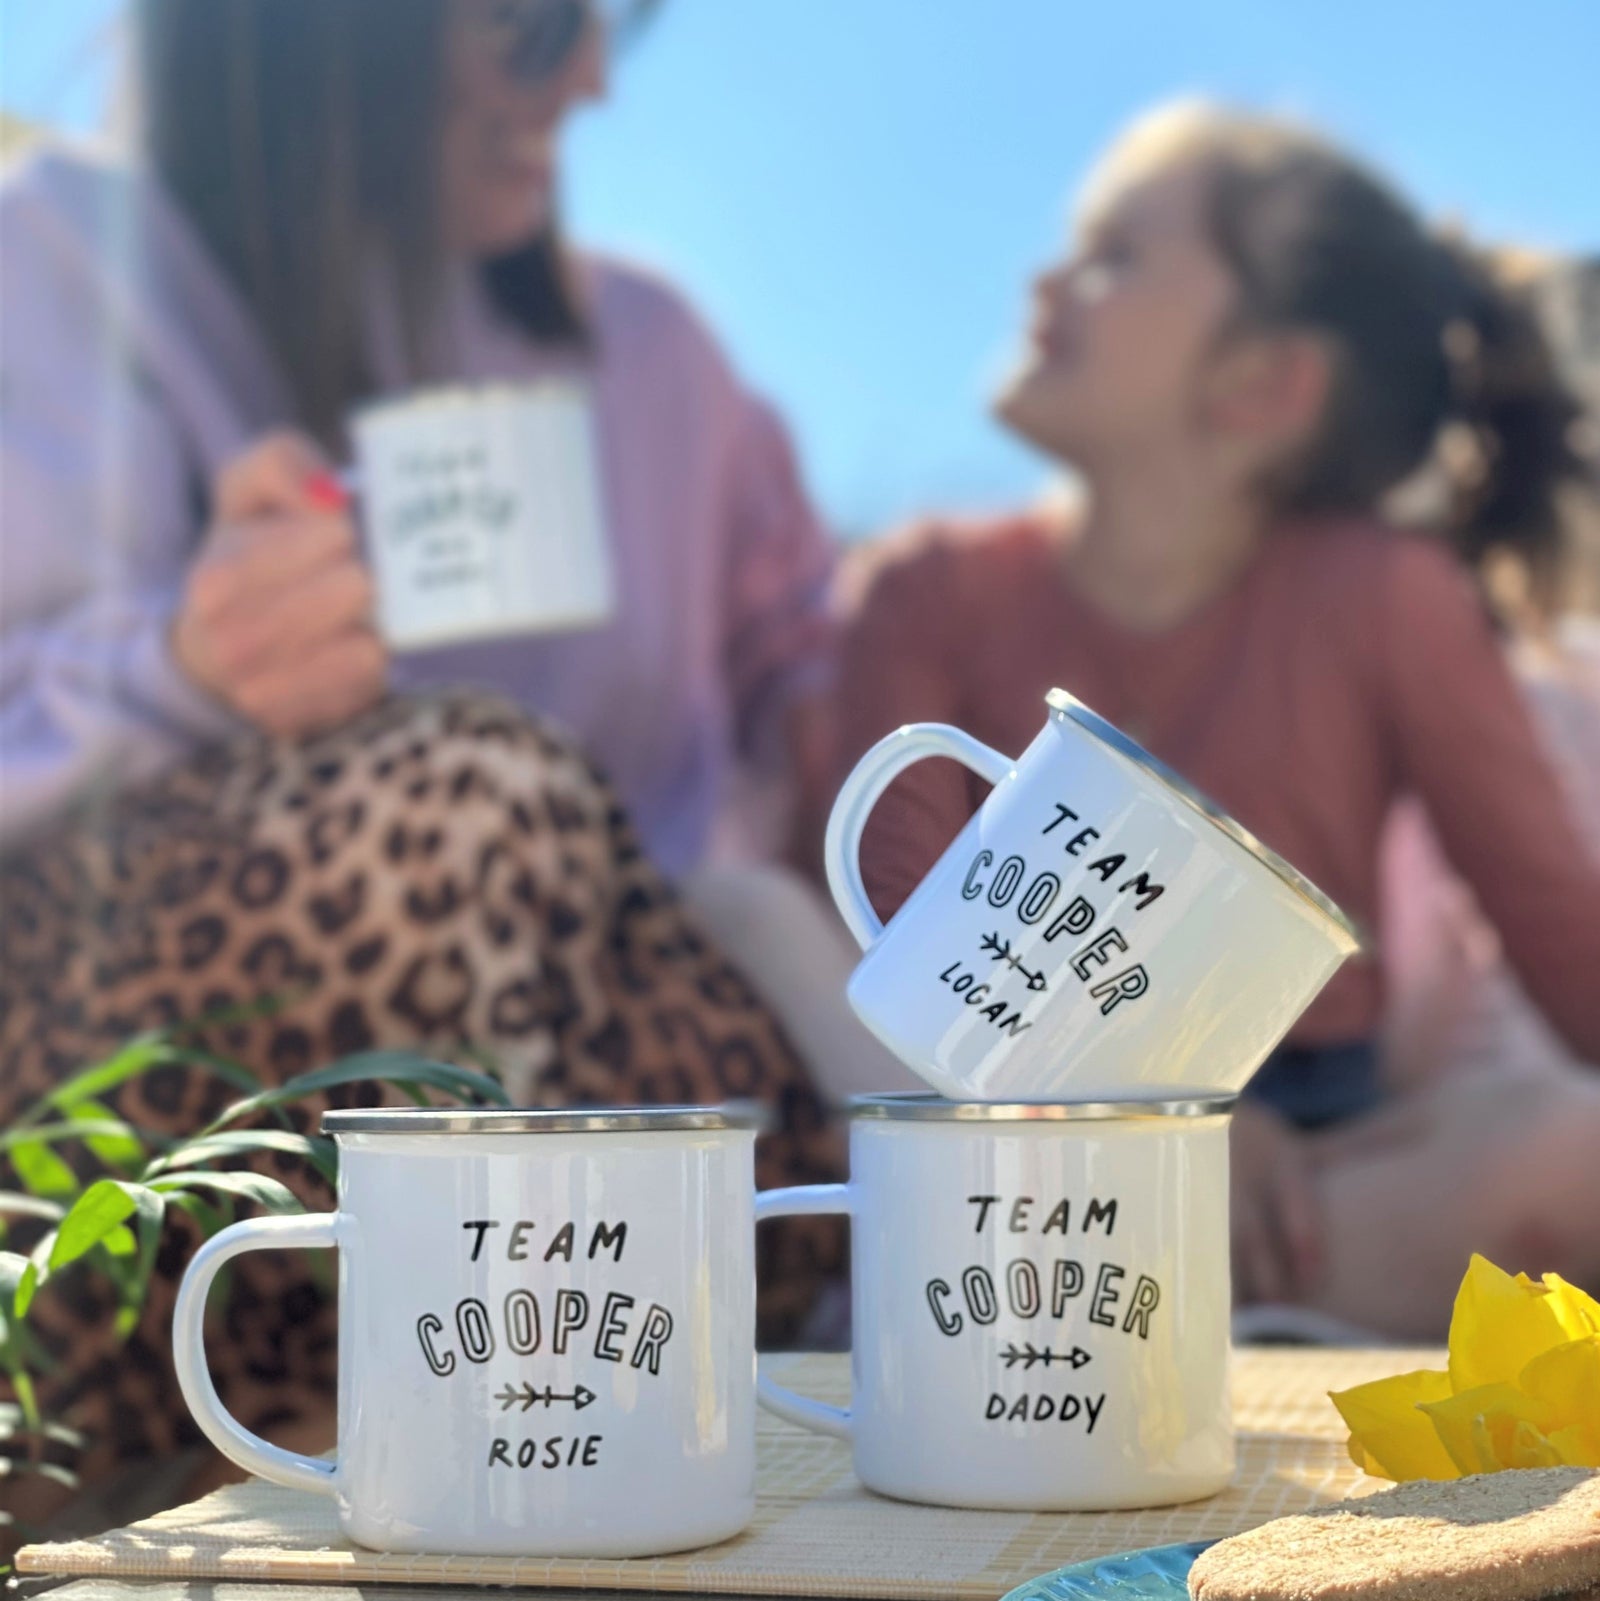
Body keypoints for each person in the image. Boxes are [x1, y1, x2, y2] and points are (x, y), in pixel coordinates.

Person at [0, 0, 858, 1516]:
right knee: (469, 800)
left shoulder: (656, 363)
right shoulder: (68, 259)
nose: (591, 75)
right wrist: (185, 667)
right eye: (538, 22)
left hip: (654, 1093)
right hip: (185, 1107)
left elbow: (834, 719)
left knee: (711, 920)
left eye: (614, 24)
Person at [825, 101, 1600, 1328]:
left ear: (1263, 382)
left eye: (1114, 255)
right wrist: (1158, 1124)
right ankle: (1118, 1303)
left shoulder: (1391, 599)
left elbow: (1576, 967)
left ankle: (1091, 1315)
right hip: (1000, 1132)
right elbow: (907, 960)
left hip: (1314, 1154)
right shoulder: (922, 595)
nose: (1044, 281)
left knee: (1571, 1152)